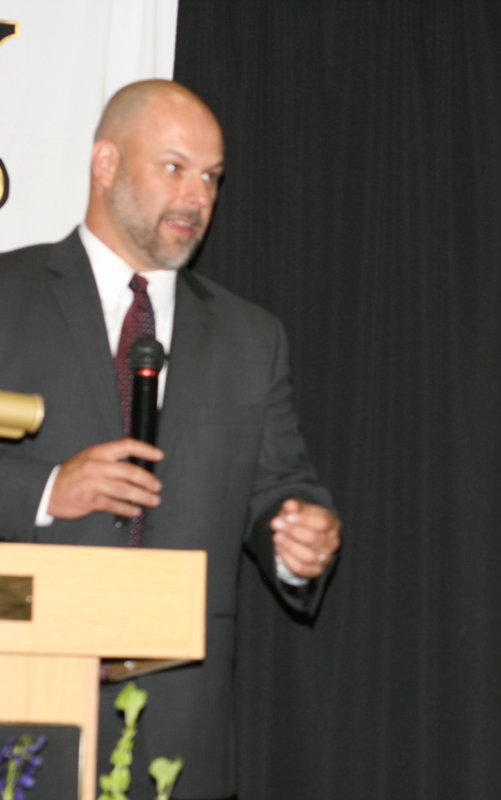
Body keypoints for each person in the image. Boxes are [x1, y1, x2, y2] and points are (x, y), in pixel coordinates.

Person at [0, 80, 342, 799]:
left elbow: (281, 487)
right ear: (106, 165)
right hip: (21, 703)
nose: (198, 197)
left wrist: (300, 537)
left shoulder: (252, 339)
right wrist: (46, 489)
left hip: (181, 737)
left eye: (213, 177)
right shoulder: (8, 295)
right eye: (175, 167)